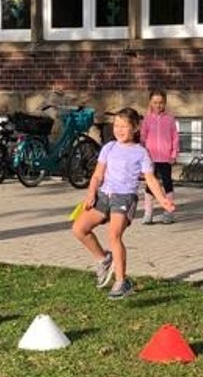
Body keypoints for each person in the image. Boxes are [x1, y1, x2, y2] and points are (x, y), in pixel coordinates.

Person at [71, 107, 175, 299]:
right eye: (116, 125)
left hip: (124, 198)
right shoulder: (108, 148)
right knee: (79, 229)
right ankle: (104, 259)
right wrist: (91, 193)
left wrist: (163, 201)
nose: (119, 130)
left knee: (114, 236)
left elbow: (151, 180)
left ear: (135, 128)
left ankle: (121, 282)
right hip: (103, 196)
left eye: (124, 126)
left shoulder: (141, 153)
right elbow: (97, 175)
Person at [140, 89, 179, 224]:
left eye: (161, 103)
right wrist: (142, 154)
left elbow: (175, 137)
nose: (158, 105)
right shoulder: (147, 120)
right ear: (150, 103)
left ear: (165, 103)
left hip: (165, 157)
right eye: (155, 102)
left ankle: (168, 212)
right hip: (150, 158)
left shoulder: (169, 119)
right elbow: (143, 138)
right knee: (150, 185)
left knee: (167, 183)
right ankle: (148, 213)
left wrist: (174, 153)